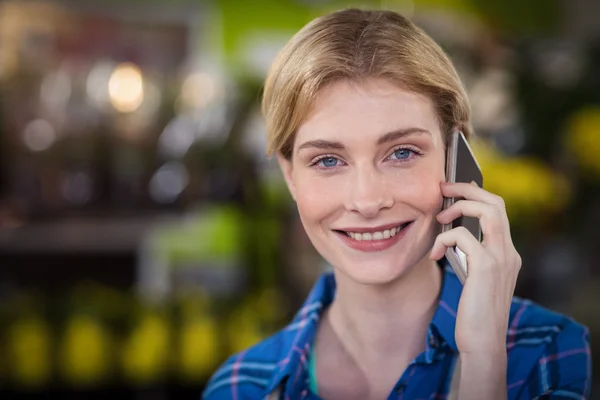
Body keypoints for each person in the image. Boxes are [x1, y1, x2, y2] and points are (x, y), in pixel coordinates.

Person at [203, 9, 591, 400]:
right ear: (290, 176)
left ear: (458, 157)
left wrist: (484, 360)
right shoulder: (240, 387)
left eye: (402, 153)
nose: (367, 201)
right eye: (328, 160)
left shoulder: (547, 352)